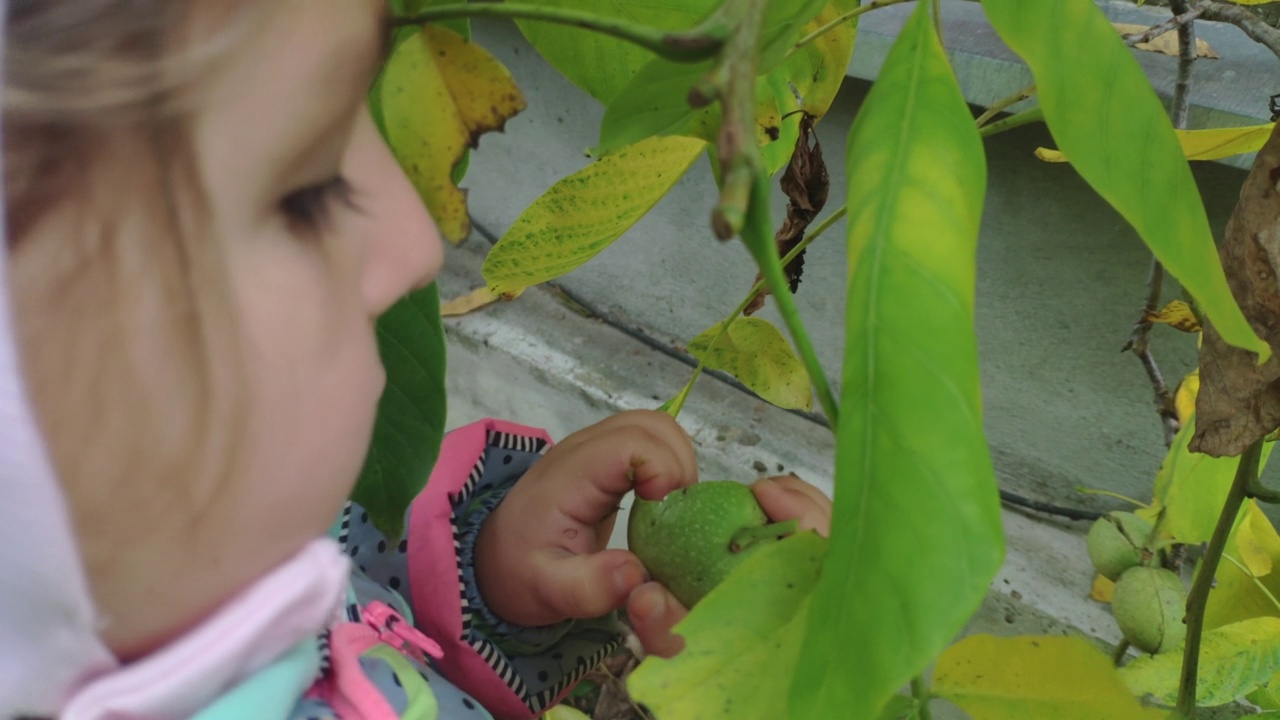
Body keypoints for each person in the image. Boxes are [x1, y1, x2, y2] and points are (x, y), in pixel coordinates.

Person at [0, 1, 833, 719]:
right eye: (306, 193)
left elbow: (356, 601)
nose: (415, 244)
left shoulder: (176, 573)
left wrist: (490, 573)